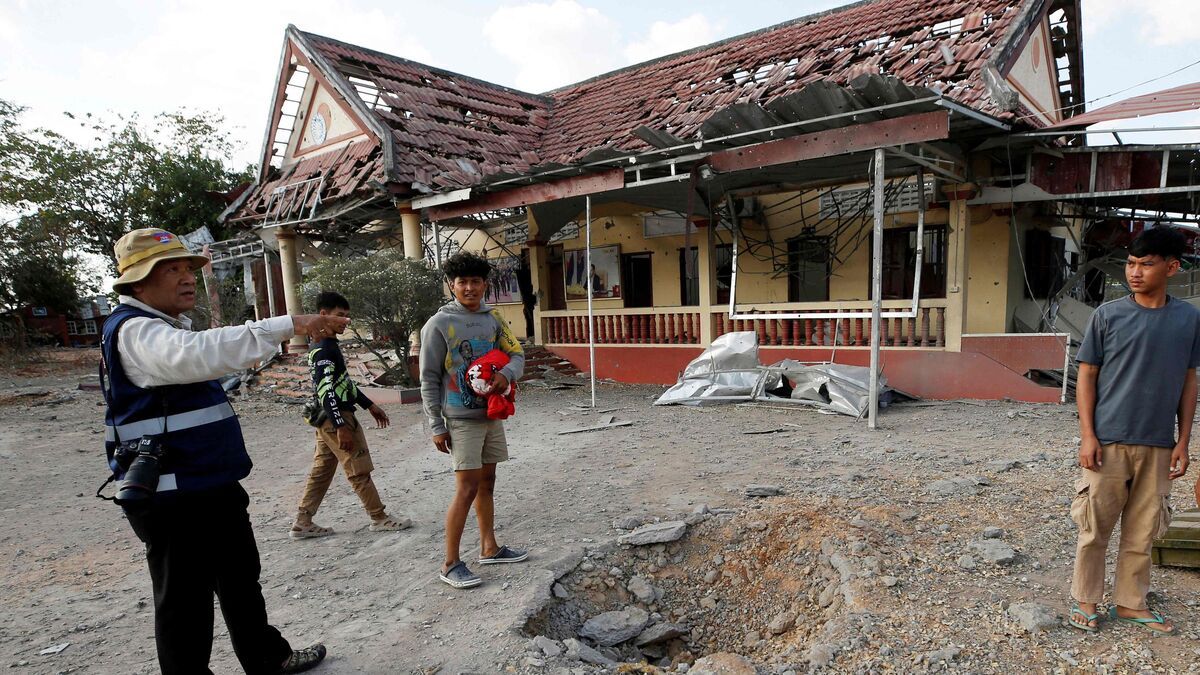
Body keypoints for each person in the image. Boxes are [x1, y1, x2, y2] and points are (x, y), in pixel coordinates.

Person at [100, 228, 344, 673]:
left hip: (210, 485)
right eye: (169, 270)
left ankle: (269, 659)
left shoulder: (163, 327)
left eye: (187, 268)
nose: (186, 277)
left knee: (240, 582)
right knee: (184, 603)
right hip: (172, 496)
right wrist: (289, 325)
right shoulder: (136, 332)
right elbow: (195, 355)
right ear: (136, 283)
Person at [1069, 226, 1197, 635]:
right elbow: (1086, 376)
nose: (1135, 272)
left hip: (1158, 443)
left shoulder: (1188, 319)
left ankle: (1130, 603)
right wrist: (1088, 435)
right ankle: (1087, 600)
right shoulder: (1108, 315)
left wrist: (1183, 440)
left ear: (1172, 267)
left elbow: (1189, 379)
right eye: (1130, 263)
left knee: (1144, 531)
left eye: (1146, 264)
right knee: (1094, 528)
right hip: (1108, 441)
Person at [419, 252, 527, 589]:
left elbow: (516, 354)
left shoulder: (493, 320)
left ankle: (489, 547)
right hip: (461, 418)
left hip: (491, 412)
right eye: (462, 282)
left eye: (475, 282)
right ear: (452, 285)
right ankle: (450, 563)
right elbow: (428, 378)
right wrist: (436, 426)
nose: (469, 288)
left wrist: (506, 376)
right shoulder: (438, 324)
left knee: (488, 482)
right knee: (466, 488)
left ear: (485, 285)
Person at [290, 291, 411, 538]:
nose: (345, 321)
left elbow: (342, 383)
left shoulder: (325, 345)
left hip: (329, 418)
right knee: (358, 468)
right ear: (323, 315)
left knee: (322, 469)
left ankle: (303, 521)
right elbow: (326, 391)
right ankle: (379, 517)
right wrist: (341, 426)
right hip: (336, 417)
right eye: (339, 316)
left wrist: (369, 405)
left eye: (347, 316)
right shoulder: (324, 348)